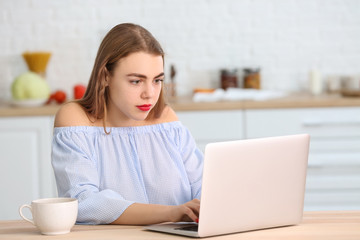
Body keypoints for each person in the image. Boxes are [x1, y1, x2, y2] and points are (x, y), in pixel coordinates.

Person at [51, 23, 204, 225]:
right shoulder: (75, 119)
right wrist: (171, 213)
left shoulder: (167, 121)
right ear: (105, 76)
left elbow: (204, 186)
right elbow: (82, 202)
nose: (149, 93)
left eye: (157, 80)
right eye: (136, 81)